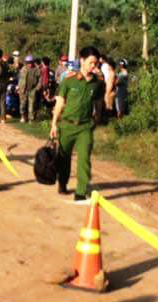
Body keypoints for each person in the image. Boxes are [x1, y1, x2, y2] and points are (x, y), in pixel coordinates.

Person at [50, 46, 104, 203]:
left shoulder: (97, 83)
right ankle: (62, 183)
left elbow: (98, 102)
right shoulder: (68, 80)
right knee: (63, 158)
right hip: (66, 125)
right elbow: (60, 103)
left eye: (96, 64)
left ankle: (80, 191)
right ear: (82, 60)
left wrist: (96, 119)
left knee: (84, 159)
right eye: (91, 63)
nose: (93, 66)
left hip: (85, 127)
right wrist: (54, 124)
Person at [18, 55, 40, 123]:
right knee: (23, 105)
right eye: (28, 62)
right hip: (23, 89)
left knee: (32, 105)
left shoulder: (36, 69)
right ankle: (23, 116)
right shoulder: (23, 69)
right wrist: (19, 88)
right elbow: (20, 79)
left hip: (32, 89)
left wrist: (37, 87)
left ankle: (31, 119)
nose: (29, 64)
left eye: (30, 62)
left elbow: (40, 79)